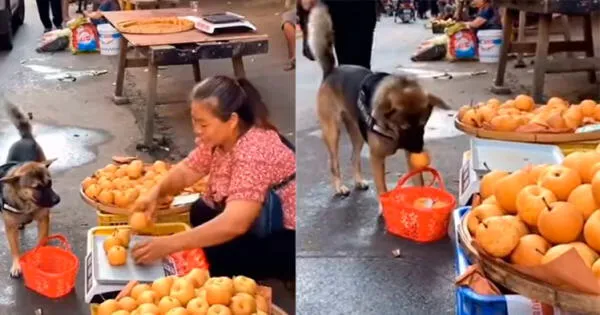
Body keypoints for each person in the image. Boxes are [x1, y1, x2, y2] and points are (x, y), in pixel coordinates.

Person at [130, 76, 296, 283]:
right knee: (201, 209)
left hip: (285, 238)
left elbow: (235, 224)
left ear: (232, 121)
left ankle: (244, 277)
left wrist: (170, 244)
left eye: (203, 124)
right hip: (253, 219)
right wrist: (155, 193)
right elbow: (186, 171)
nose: (197, 130)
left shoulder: (254, 151)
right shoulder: (219, 138)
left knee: (219, 253)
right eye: (194, 120)